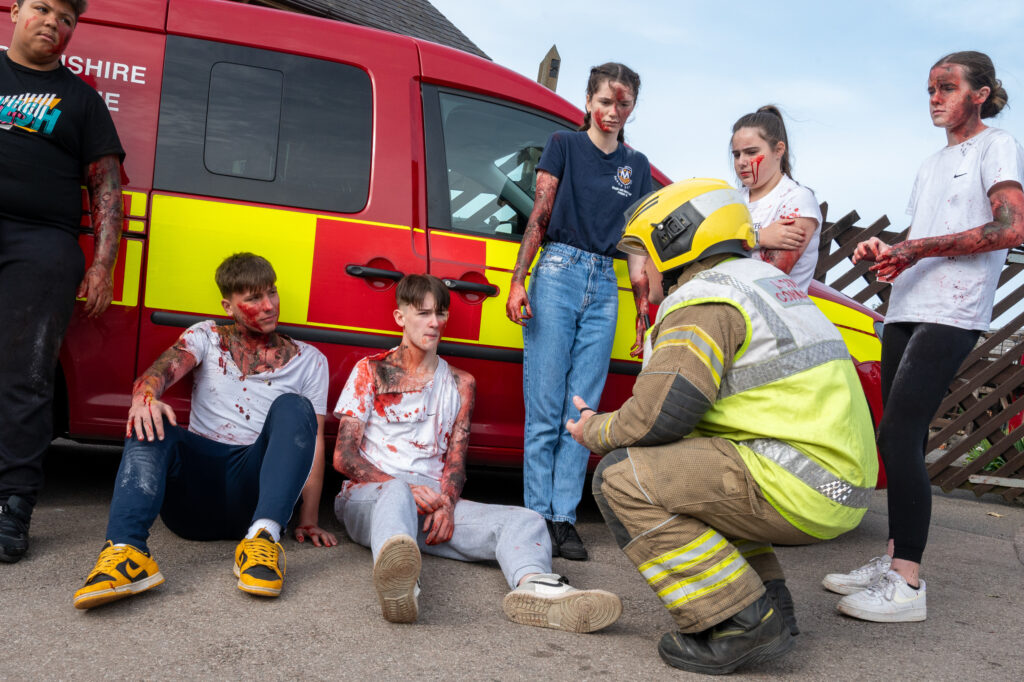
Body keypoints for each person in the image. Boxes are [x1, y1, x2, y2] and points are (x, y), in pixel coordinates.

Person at [567, 178, 877, 674]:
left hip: (796, 479)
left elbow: (659, 414)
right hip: (835, 482)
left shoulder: (705, 299)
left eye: (642, 252)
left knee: (622, 478)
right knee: (694, 466)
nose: (639, 270)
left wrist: (594, 431)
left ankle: (739, 623)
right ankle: (771, 606)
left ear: (675, 241)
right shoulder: (762, 284)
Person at [827, 51, 1024, 622]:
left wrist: (916, 248)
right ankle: (893, 561)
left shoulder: (997, 145)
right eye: (930, 89)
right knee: (899, 439)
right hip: (908, 305)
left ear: (980, 93)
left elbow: (1009, 226)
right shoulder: (931, 163)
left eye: (947, 87)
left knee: (899, 433)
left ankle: (908, 585)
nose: (935, 97)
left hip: (954, 311)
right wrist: (890, 255)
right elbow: (923, 236)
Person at [334, 274, 621, 632]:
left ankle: (538, 589)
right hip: (374, 497)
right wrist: (404, 489)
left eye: (441, 313)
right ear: (399, 317)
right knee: (395, 495)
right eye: (423, 313)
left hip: (431, 504)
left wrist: (448, 503)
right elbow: (344, 458)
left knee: (528, 520)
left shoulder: (461, 383)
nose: (435, 323)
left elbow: (456, 460)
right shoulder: (370, 371)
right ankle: (400, 585)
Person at [72, 253, 336, 609]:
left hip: (254, 491)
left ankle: (263, 540)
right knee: (152, 414)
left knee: (295, 407)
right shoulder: (207, 336)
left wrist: (308, 519)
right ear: (229, 306)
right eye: (254, 298)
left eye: (272, 293)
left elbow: (313, 441)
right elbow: (159, 372)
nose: (269, 305)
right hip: (193, 499)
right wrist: (144, 397)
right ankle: (125, 552)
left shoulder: (309, 359)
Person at [504, 62, 653, 560]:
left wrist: (641, 307)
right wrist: (518, 279)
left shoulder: (637, 166)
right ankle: (535, 518)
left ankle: (564, 519)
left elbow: (635, 245)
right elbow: (540, 214)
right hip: (558, 273)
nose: (613, 112)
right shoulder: (563, 145)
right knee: (545, 407)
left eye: (623, 103)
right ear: (589, 100)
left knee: (580, 410)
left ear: (633, 107)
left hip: (605, 284)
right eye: (606, 101)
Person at [0, 0, 125, 563]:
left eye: (67, 18)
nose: (54, 22)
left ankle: (12, 506)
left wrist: (101, 262)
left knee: (25, 375)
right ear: (15, 13)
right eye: (43, 8)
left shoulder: (82, 100)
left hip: (42, 244)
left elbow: (106, 187)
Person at [731, 105, 822, 291]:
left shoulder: (797, 200)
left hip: (771, 315)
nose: (742, 162)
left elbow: (767, 278)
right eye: (736, 154)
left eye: (751, 152)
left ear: (779, 150)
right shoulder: (731, 200)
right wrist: (757, 238)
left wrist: (726, 239)